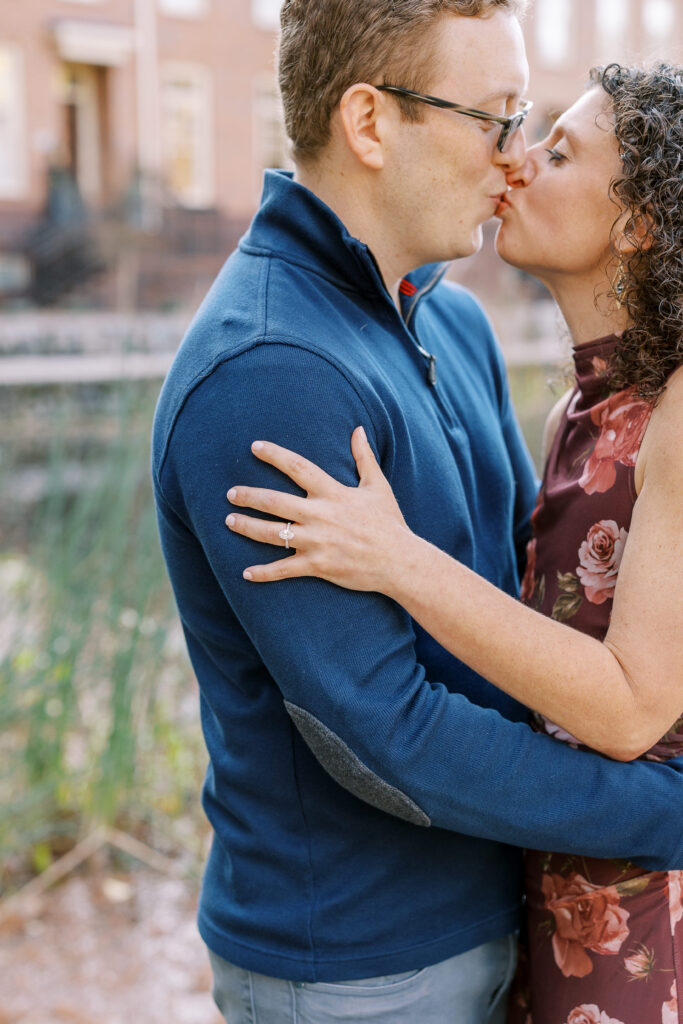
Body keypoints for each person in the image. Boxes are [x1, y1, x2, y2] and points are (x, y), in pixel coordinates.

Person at [151, 0, 683, 1016]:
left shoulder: (454, 322)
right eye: (493, 118)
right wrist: (660, 813)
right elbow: (379, 731)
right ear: (368, 122)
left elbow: (549, 633)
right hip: (361, 964)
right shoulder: (271, 373)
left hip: (519, 918)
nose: (512, 157)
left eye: (529, 123)